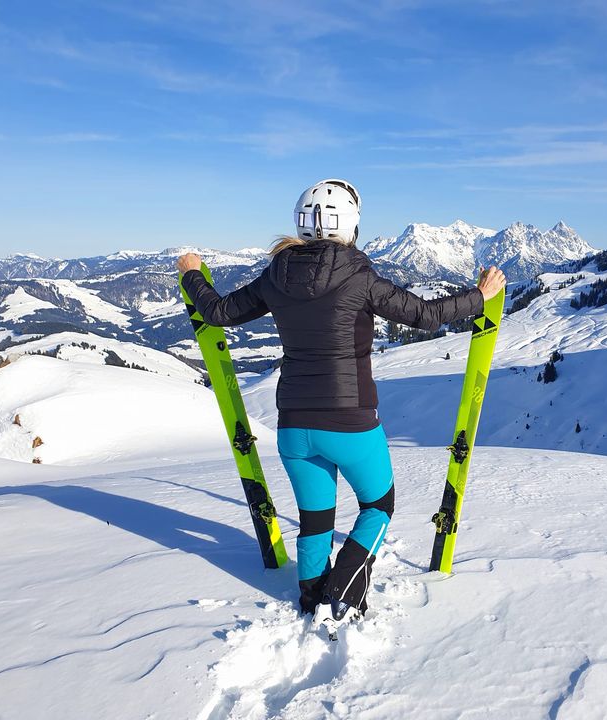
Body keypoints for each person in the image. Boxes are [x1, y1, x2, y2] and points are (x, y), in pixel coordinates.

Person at [177, 178, 506, 626]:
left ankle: (312, 600)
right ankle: (346, 589)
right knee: (378, 506)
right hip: (350, 422)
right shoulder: (359, 276)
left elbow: (217, 313)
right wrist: (479, 296)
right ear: (351, 225)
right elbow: (426, 316)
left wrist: (192, 273)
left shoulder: (276, 275)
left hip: (294, 425)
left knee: (315, 520)